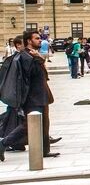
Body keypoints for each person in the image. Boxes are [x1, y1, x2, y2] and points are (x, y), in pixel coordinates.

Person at [0, 30, 59, 161]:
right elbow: (32, 74)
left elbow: (44, 75)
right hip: (33, 97)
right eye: (37, 38)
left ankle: (45, 150)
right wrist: (38, 58)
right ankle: (3, 144)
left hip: (41, 94)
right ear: (29, 41)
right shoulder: (26, 56)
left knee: (44, 124)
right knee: (28, 125)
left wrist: (38, 57)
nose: (40, 40)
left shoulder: (32, 55)